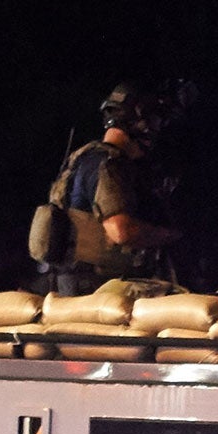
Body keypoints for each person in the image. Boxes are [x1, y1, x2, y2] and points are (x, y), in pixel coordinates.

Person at [41, 81, 187, 292]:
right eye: (154, 121)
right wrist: (169, 236)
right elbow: (121, 231)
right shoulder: (111, 163)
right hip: (97, 287)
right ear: (139, 121)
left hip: (68, 283)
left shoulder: (81, 158)